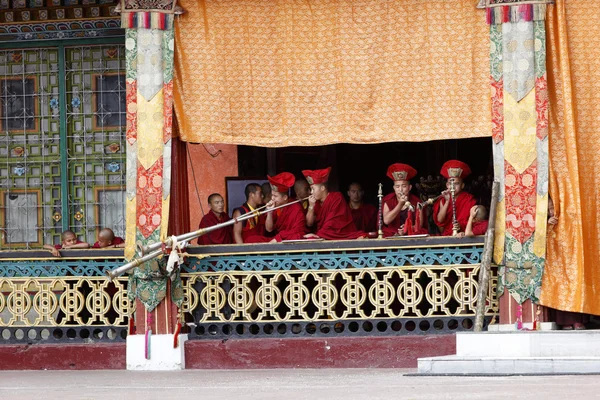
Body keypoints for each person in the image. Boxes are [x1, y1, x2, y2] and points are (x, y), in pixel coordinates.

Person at [303, 167, 365, 240]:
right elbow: (309, 223)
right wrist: (311, 206)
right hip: (324, 234)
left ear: (322, 188)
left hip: (341, 234)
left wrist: (319, 235)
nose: (311, 192)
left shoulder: (337, 198)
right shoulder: (315, 203)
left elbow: (332, 222)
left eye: (313, 189)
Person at [260, 172, 308, 242]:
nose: (272, 198)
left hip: (289, 239)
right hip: (279, 238)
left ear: (285, 197)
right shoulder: (276, 207)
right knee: (251, 239)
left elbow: (299, 230)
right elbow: (269, 229)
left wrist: (280, 237)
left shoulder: (296, 207)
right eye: (272, 195)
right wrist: (269, 212)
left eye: (275, 196)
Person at [434, 160, 477, 236]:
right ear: (447, 185)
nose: (453, 186)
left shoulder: (468, 199)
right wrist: (447, 202)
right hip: (447, 235)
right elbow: (440, 220)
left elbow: (474, 220)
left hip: (463, 234)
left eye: (457, 183)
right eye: (450, 183)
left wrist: (460, 225)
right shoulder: (443, 200)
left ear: (462, 185)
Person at [382, 163, 426, 237]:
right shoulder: (388, 201)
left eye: (404, 186)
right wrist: (400, 204)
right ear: (394, 188)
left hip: (411, 234)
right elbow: (386, 221)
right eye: (397, 186)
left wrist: (408, 228)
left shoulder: (417, 202)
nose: (401, 190)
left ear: (410, 187)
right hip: (392, 234)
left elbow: (420, 224)